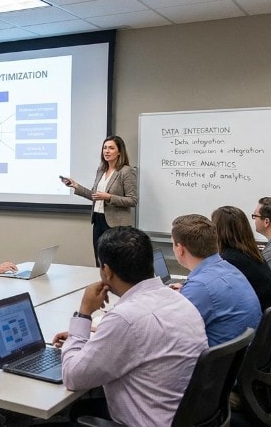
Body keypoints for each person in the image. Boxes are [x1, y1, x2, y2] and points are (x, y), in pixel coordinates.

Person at [51, 226, 207, 425]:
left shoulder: (125, 319)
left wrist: (84, 314)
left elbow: (73, 377)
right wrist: (93, 339)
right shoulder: (179, 300)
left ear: (106, 271)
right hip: (181, 415)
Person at [171, 214, 262, 347]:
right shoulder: (229, 268)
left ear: (180, 249)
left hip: (220, 364)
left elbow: (172, 332)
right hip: (245, 358)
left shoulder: (200, 287)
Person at [60, 135, 138, 266]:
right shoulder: (101, 170)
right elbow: (94, 196)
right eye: (105, 148)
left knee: (115, 263)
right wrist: (75, 186)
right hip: (98, 221)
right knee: (100, 261)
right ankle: (103, 286)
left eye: (111, 148)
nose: (106, 151)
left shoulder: (126, 171)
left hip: (116, 225)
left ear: (119, 152)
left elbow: (132, 200)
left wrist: (109, 197)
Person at [211, 206, 271, 311]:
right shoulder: (253, 254)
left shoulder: (228, 260)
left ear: (217, 230)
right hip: (265, 319)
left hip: (253, 321)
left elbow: (212, 296)